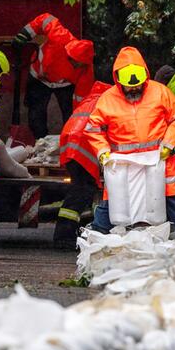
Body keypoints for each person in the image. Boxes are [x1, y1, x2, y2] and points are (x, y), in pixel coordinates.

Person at [84, 47, 175, 255]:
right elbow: (93, 128)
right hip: (123, 165)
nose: (134, 90)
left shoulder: (160, 92)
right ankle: (92, 246)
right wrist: (102, 152)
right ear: (119, 81)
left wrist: (169, 144)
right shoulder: (108, 99)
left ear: (144, 77)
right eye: (129, 87)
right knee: (111, 206)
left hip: (159, 161)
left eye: (137, 86)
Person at [12, 13, 96, 139]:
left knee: (70, 116)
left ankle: (68, 142)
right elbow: (45, 19)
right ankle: (39, 143)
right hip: (39, 77)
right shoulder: (61, 37)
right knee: (36, 116)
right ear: (71, 55)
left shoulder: (86, 71)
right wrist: (25, 34)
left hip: (65, 84)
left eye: (80, 64)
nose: (76, 66)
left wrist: (78, 125)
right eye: (75, 62)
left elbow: (81, 103)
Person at [53, 80, 110, 247]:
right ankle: (64, 236)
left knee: (79, 190)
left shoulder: (90, 99)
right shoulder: (108, 102)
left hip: (71, 145)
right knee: (81, 191)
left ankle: (67, 233)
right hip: (83, 147)